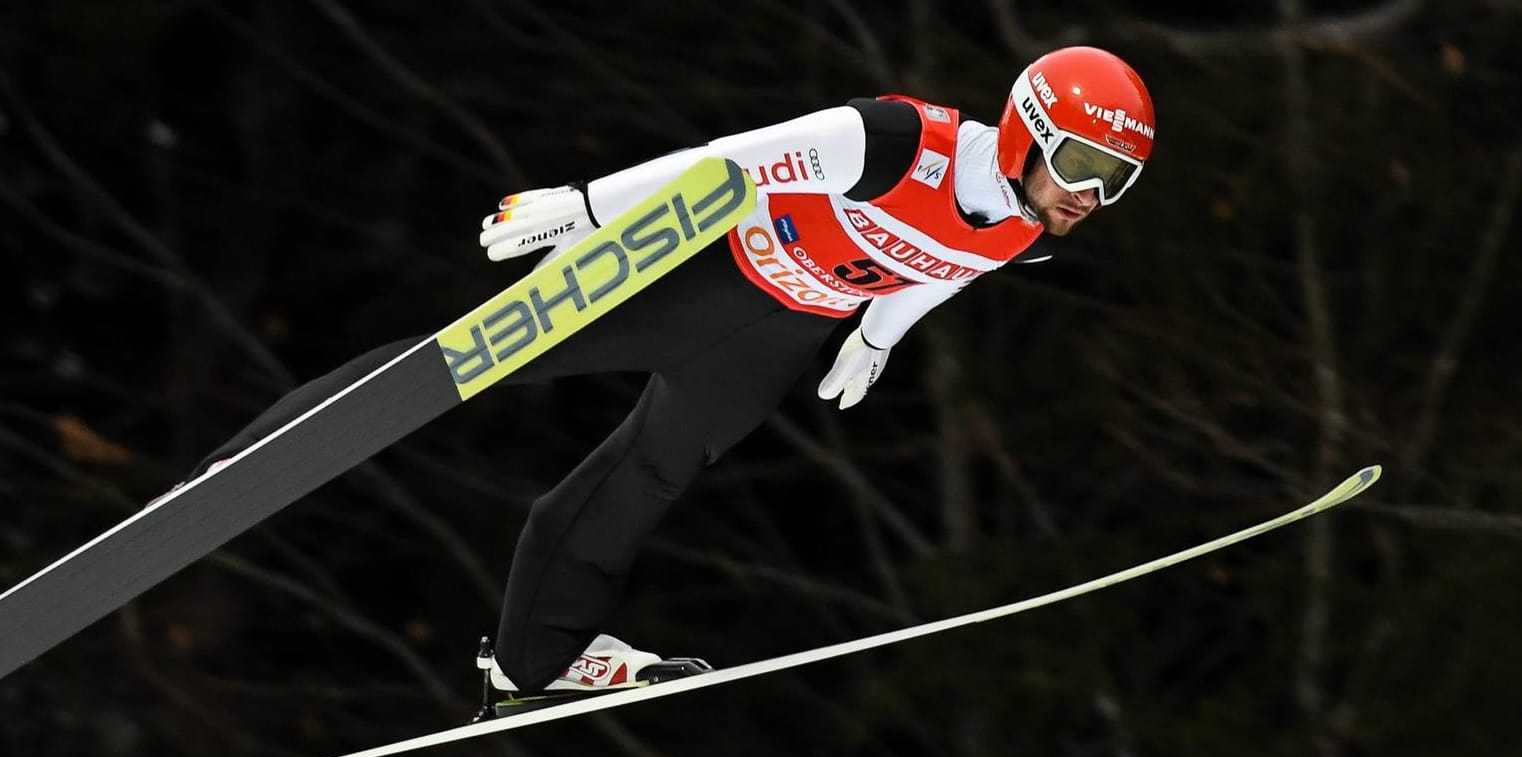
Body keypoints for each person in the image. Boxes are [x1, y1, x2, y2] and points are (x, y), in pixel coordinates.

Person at [185, 46, 1156, 698]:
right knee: (468, 361)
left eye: (1117, 180)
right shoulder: (898, 141)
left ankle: (533, 660)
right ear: (1027, 128)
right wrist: (587, 206)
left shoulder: (1027, 233)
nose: (1090, 193)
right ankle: (241, 464)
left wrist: (876, 337)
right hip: (691, 275)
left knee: (646, 475)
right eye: (1080, 162)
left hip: (772, 338)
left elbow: (945, 268)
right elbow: (724, 163)